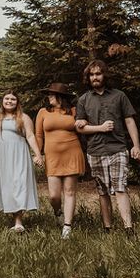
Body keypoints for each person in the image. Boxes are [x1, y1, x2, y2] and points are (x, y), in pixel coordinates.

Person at [74, 58, 140, 232]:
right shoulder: (83, 100)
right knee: (102, 191)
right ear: (88, 78)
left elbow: (130, 121)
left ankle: (128, 228)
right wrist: (100, 128)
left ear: (104, 75)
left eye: (98, 74)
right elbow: (80, 128)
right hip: (95, 150)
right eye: (92, 75)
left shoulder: (119, 96)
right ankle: (107, 227)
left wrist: (136, 146)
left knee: (120, 187)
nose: (95, 77)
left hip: (117, 148)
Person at [34, 83, 85, 237]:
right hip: (52, 157)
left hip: (72, 152)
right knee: (54, 196)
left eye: (51, 94)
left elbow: (82, 126)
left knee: (69, 192)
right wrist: (38, 154)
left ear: (60, 97)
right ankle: (58, 212)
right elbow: (38, 135)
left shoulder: (73, 111)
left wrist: (83, 122)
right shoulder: (43, 112)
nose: (49, 97)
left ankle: (67, 227)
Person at [0, 91, 43, 230]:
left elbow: (31, 136)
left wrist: (38, 154)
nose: (9, 101)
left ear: (17, 102)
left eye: (13, 99)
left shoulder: (23, 117)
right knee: (8, 185)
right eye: (7, 98)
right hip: (1, 156)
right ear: (2, 101)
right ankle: (14, 216)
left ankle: (19, 222)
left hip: (19, 153)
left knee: (19, 183)